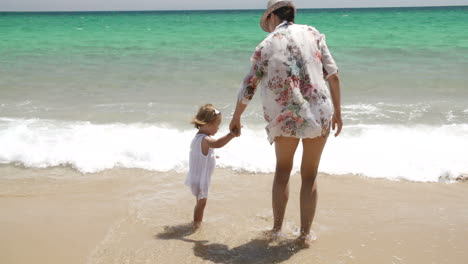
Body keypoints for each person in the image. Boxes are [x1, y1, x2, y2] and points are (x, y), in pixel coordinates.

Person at [229, 0, 343, 247]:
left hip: (286, 115)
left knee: (282, 172)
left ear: (271, 17)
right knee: (310, 176)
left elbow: (249, 85)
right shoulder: (313, 33)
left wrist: (236, 117)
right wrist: (339, 113)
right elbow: (333, 75)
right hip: (320, 111)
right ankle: (304, 235)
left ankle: (277, 230)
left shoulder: (266, 44)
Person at [185, 104, 236, 230]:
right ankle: (197, 224)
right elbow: (218, 143)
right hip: (201, 178)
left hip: (196, 176)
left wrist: (213, 157)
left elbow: (201, 154)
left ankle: (196, 222)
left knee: (200, 201)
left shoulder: (198, 138)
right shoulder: (206, 139)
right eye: (217, 124)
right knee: (202, 203)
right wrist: (231, 135)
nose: (218, 128)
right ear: (206, 124)